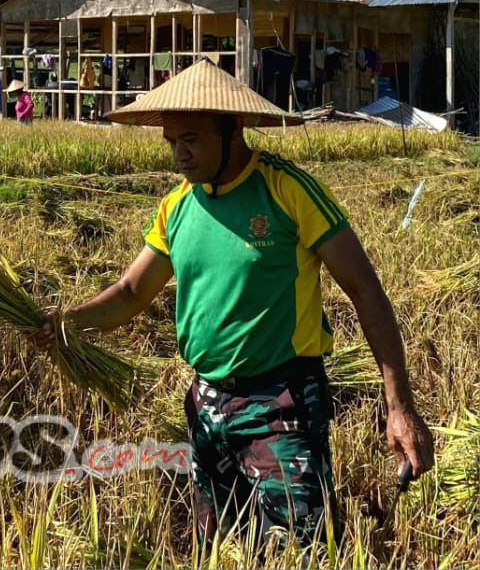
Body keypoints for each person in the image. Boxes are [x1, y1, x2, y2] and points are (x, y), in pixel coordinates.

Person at [34, 58, 434, 555]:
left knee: (302, 550)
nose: (180, 153)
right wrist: (66, 322)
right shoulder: (177, 206)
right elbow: (133, 293)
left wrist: (401, 409)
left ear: (233, 127)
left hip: (281, 403)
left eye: (192, 139)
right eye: (172, 141)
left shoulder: (286, 189)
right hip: (206, 406)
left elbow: (366, 290)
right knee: (221, 546)